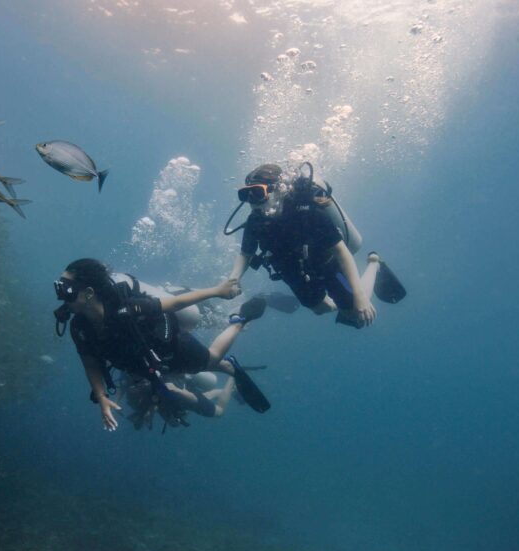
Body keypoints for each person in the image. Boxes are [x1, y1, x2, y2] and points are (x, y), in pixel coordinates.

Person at [55, 258, 270, 431]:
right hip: (148, 367)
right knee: (209, 366)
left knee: (212, 359)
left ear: (89, 293)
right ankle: (227, 365)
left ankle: (239, 320)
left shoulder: (128, 309)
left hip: (171, 346)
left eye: (66, 289)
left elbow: (174, 303)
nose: (61, 295)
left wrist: (217, 291)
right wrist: (101, 397)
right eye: (59, 288)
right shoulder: (79, 327)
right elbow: (90, 363)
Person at [225, 162, 405, 328]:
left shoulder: (308, 213)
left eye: (257, 193)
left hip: (327, 265)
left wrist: (359, 297)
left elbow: (342, 253)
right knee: (320, 309)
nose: (252, 201)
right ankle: (343, 303)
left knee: (356, 315)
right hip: (291, 272)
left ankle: (374, 264)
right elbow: (245, 254)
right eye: (245, 195)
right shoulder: (255, 221)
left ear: (277, 190)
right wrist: (234, 278)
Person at [121, 371, 238, 432]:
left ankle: (233, 374)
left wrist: (179, 391)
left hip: (182, 392)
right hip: (180, 384)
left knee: (220, 412)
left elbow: (193, 399)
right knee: (204, 393)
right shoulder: (142, 397)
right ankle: (225, 390)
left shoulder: (168, 398)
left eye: (145, 419)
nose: (147, 420)